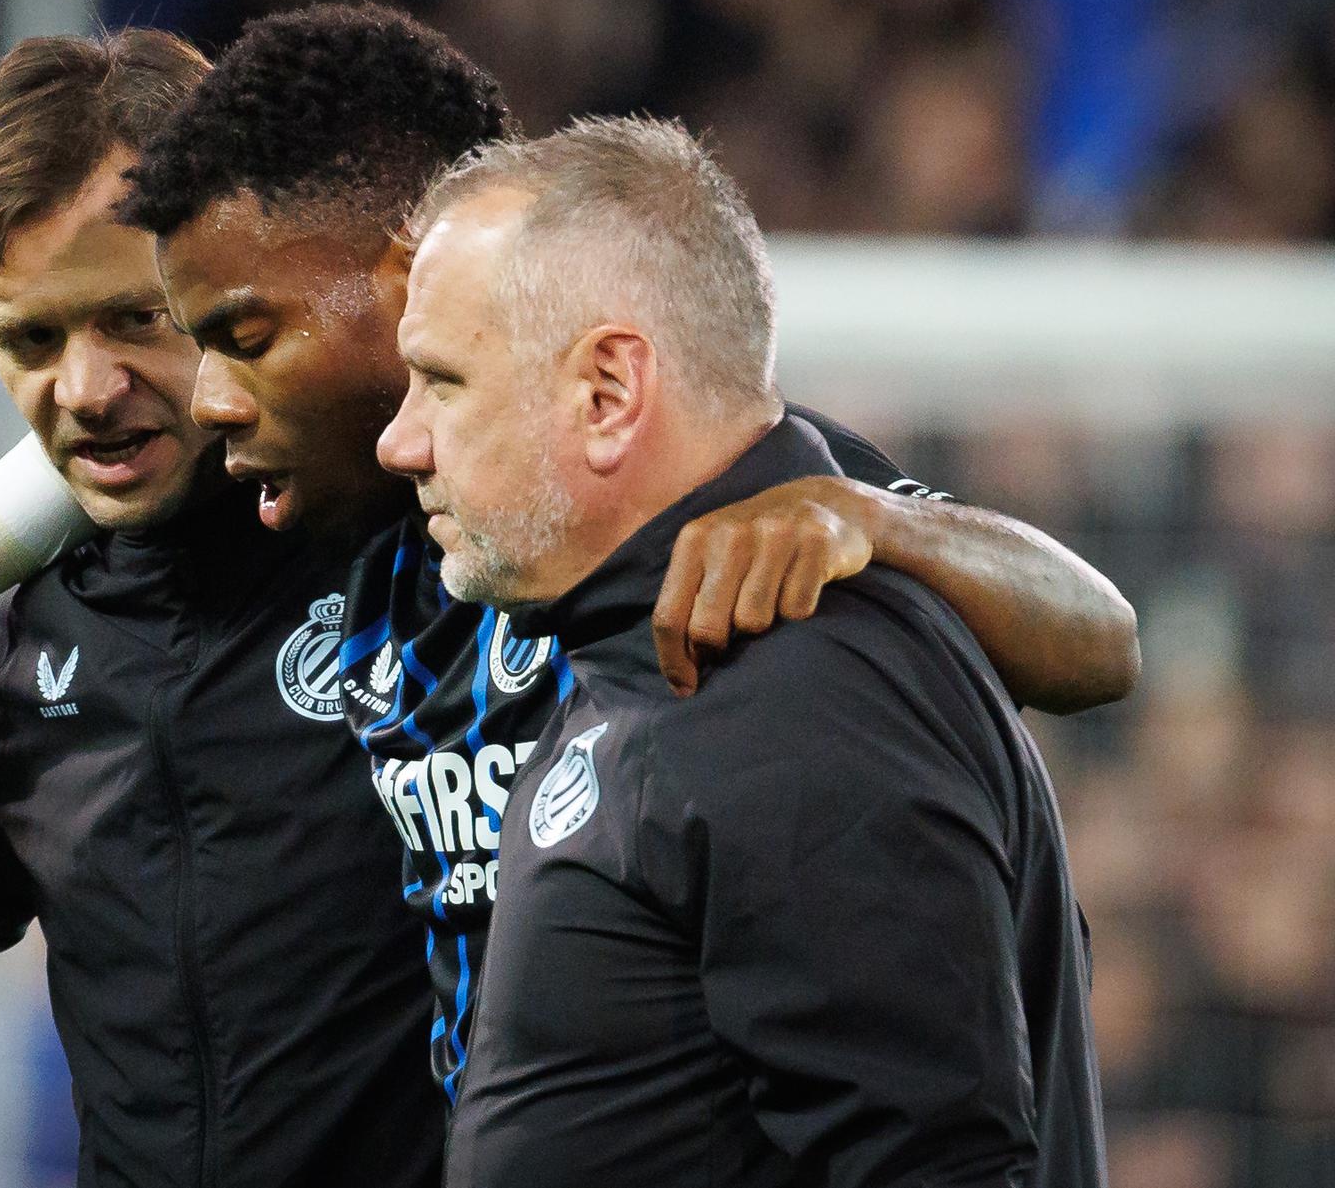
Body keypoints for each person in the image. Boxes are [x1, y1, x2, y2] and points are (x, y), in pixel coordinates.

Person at [115, 1, 1136, 1104]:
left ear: (416, 270)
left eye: (248, 337)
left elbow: (1102, 643)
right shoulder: (342, 530)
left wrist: (882, 522)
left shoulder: (709, 504)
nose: (213, 398)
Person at [0, 30, 449, 1188]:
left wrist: (804, 497)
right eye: (30, 340)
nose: (85, 392)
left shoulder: (448, 537)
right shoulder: (25, 650)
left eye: (133, 318)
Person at [380, 115, 1104, 1185]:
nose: (402, 439)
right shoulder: (648, 636)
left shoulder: (797, 693)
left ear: (609, 394)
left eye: (441, 382)